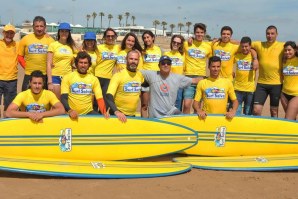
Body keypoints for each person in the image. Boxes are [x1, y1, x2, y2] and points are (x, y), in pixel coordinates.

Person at [61, 51, 107, 119]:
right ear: (76, 64)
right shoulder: (67, 77)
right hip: (71, 112)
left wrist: (104, 112)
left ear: (89, 65)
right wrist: (70, 111)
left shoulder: (94, 79)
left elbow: (99, 99)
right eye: (81, 62)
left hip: (88, 112)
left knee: (102, 120)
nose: (83, 65)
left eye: (85, 63)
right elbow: (64, 98)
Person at [252, 25, 284, 117]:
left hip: (276, 84)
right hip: (262, 84)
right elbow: (244, 44)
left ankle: (274, 130)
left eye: (272, 33)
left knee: (274, 112)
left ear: (276, 34)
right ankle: (257, 129)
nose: (270, 35)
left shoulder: (282, 46)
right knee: (256, 110)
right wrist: (255, 58)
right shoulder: (259, 44)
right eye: (268, 33)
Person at [18, 16, 55, 91]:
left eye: (41, 26)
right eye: (37, 26)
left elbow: (55, 57)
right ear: (33, 27)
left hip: (45, 75)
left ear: (45, 27)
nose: (39, 28)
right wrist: (26, 66)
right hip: (29, 74)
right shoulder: (25, 39)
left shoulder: (51, 40)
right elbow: (20, 56)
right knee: (27, 99)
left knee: (44, 100)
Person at [106, 50, 144, 122]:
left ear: (138, 61)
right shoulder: (118, 75)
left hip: (132, 115)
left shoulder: (140, 75)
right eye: (131, 59)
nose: (133, 61)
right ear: (126, 59)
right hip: (118, 115)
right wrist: (116, 111)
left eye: (136, 59)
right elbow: (109, 95)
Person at [183, 23, 212, 113]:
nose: (199, 34)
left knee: (197, 106)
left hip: (201, 78)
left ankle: (196, 124)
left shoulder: (208, 46)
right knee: (186, 105)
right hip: (189, 77)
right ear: (194, 33)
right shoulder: (186, 44)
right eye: (197, 32)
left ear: (204, 33)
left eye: (201, 32)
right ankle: (185, 122)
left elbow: (212, 62)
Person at [47, 22, 77, 99]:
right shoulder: (53, 45)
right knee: (56, 102)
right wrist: (49, 81)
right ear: (59, 32)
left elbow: (74, 62)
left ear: (69, 33)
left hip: (68, 77)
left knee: (66, 102)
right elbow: (48, 64)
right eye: (62, 31)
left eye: (66, 31)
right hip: (55, 76)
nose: (64, 33)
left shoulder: (71, 46)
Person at [94, 28, 119, 109]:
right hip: (96, 76)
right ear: (104, 37)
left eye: (112, 36)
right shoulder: (98, 47)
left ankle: (103, 118)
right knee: (95, 101)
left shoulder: (118, 48)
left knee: (106, 102)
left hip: (108, 78)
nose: (110, 38)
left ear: (115, 37)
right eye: (108, 36)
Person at [141, 30, 162, 118]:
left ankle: (154, 123)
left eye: (148, 37)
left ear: (153, 38)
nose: (146, 40)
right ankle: (143, 124)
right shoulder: (142, 51)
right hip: (146, 81)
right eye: (144, 38)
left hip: (157, 80)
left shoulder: (160, 50)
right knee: (144, 105)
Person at [234, 37, 257, 115]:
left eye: (246, 46)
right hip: (237, 89)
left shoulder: (254, 57)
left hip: (250, 89)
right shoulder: (237, 56)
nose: (244, 48)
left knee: (248, 112)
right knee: (237, 112)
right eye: (242, 46)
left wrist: (255, 59)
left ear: (250, 46)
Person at [0, 24, 19, 118]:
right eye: (7, 33)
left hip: (12, 80)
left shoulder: (17, 44)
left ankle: (6, 127)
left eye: (11, 33)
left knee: (9, 107)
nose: (9, 35)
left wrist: (46, 34)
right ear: (3, 33)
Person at [164, 35, 185, 111]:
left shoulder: (183, 55)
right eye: (174, 42)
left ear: (180, 45)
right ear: (171, 42)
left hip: (179, 85)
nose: (176, 44)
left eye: (178, 43)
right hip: (168, 84)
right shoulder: (166, 54)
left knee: (178, 105)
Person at [280, 41, 298, 120]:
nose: (287, 52)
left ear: (295, 50)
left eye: (289, 50)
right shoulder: (284, 61)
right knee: (292, 119)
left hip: (296, 94)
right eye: (285, 50)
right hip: (284, 94)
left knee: (288, 119)